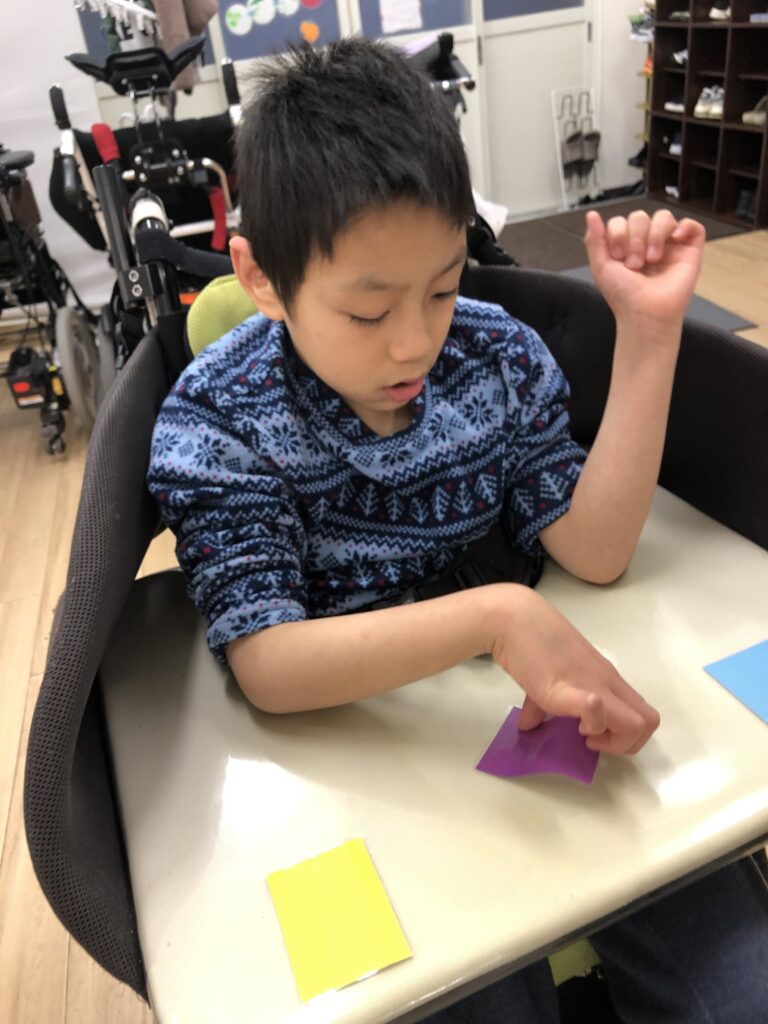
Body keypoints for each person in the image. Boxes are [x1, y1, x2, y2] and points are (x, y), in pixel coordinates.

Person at [147, 37, 768, 1024]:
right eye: (368, 312)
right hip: (374, 766)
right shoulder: (218, 422)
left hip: (539, 726)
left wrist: (649, 337)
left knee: (741, 987)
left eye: (441, 288)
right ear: (261, 278)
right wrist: (496, 617)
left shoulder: (497, 357)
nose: (416, 342)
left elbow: (595, 550)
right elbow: (267, 663)